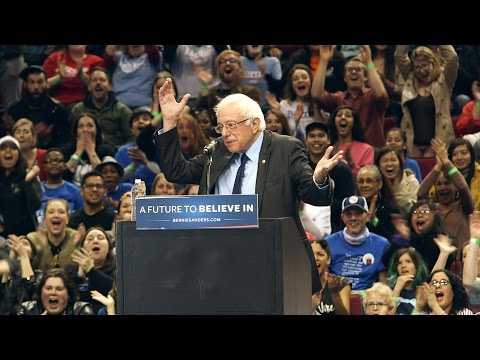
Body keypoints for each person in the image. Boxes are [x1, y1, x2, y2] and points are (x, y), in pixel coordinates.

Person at [154, 78, 343, 294]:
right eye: (221, 126)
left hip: (274, 260)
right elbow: (177, 172)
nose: (224, 132)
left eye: (231, 125)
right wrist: (169, 122)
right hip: (220, 263)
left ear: (254, 123)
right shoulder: (217, 151)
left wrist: (318, 178)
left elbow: (315, 196)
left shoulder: (285, 149)